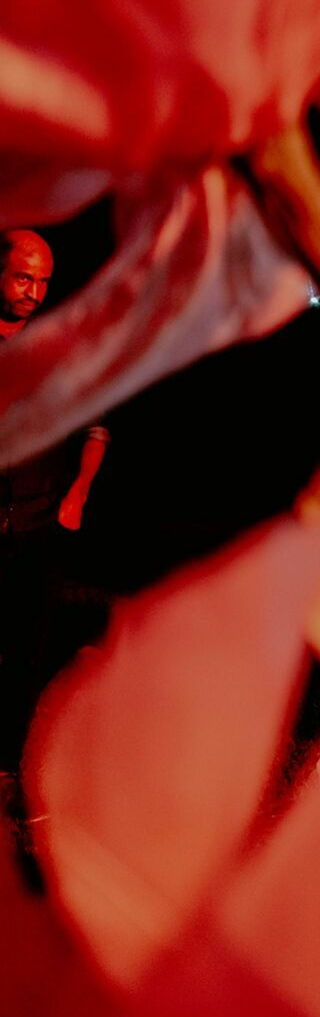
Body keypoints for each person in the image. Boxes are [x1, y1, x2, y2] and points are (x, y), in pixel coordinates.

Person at [1, 229, 111, 770]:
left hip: (43, 519)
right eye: (24, 278)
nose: (35, 292)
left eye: (43, 281)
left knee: (27, 650)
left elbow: (96, 420)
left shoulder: (55, 340)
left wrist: (79, 492)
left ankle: (10, 761)